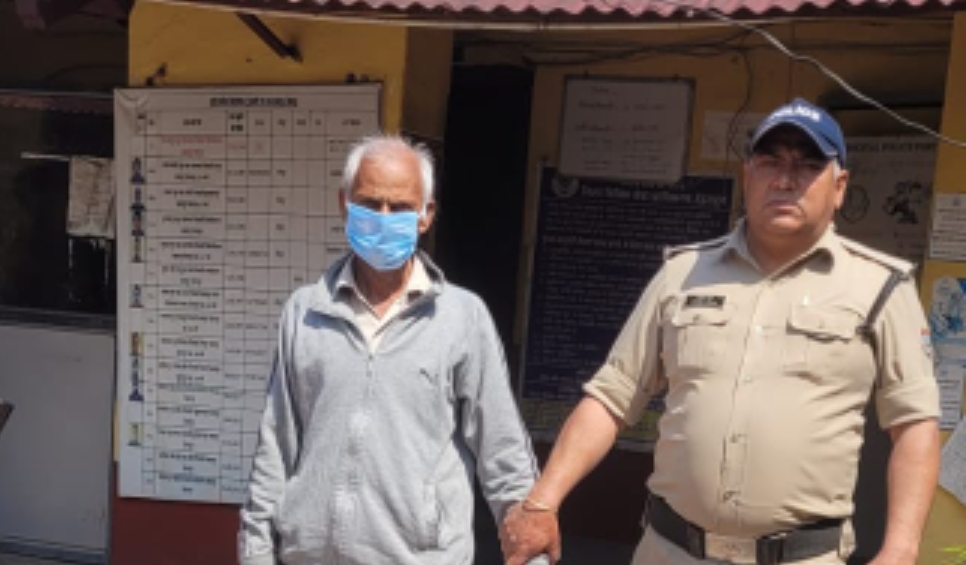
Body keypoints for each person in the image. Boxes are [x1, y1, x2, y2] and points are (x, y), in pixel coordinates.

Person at [501, 98, 941, 565]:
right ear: (748, 176)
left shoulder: (881, 288)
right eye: (770, 162)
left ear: (839, 187)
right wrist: (542, 501)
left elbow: (914, 424)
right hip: (670, 552)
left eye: (808, 165)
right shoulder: (682, 274)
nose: (785, 179)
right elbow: (612, 396)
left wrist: (900, 549)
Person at [238, 134, 544, 565]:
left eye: (399, 207)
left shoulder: (461, 318)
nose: (383, 218)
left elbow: (502, 448)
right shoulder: (305, 312)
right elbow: (275, 446)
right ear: (344, 204)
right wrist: (255, 553)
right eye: (369, 203)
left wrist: (530, 546)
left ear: (426, 215)